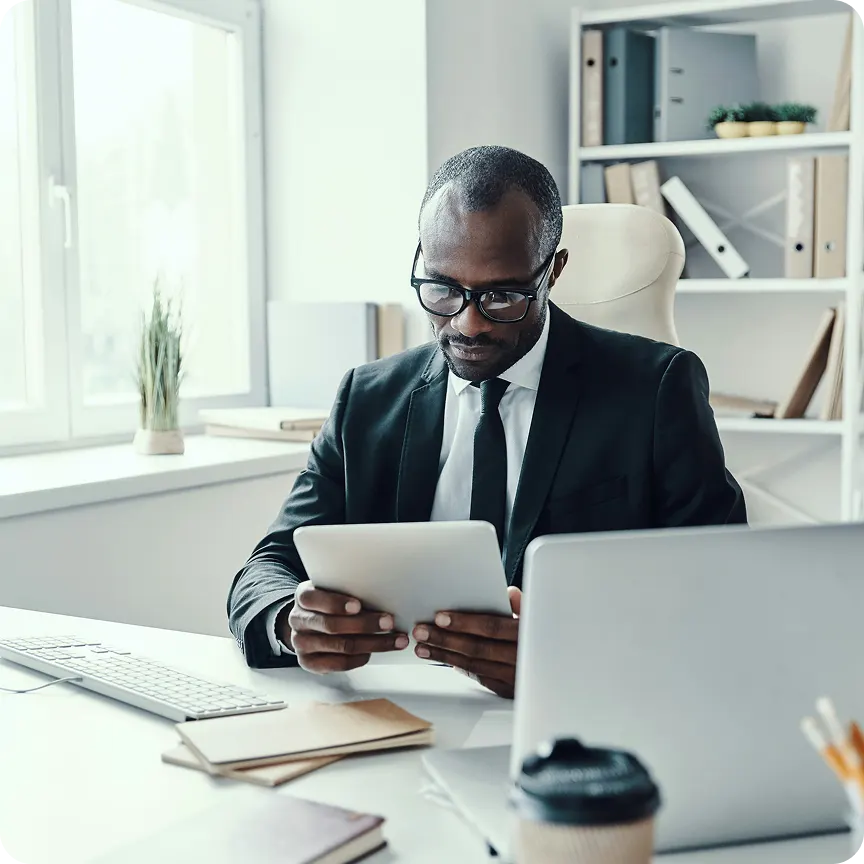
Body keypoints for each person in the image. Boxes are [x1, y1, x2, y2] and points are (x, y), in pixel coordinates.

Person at [227, 145, 747, 698]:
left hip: (590, 713)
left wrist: (565, 654)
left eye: (502, 295)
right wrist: (291, 623)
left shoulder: (655, 390)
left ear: (554, 271)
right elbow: (269, 566)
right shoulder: (367, 398)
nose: (469, 324)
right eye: (443, 288)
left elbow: (721, 590)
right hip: (403, 716)